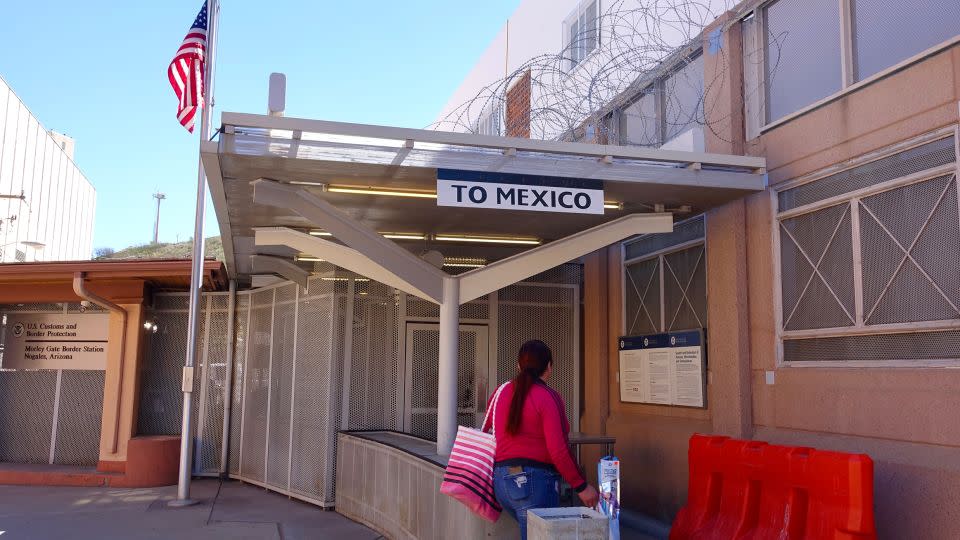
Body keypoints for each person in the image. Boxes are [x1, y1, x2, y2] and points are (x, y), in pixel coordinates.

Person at [483, 339, 600, 538]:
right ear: (549, 367)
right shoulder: (547, 397)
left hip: (501, 483)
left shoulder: (500, 392)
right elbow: (559, 450)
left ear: (518, 366)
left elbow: (488, 430)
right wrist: (581, 486)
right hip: (534, 484)